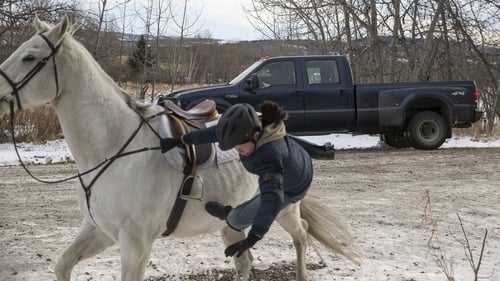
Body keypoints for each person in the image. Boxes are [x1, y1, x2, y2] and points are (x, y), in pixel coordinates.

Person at [160, 101, 315, 257]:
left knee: (236, 221)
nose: (238, 151)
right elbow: (213, 134)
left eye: (240, 147)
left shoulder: (270, 158)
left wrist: (253, 238)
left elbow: (271, 199)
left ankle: (227, 214)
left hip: (293, 186)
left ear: (255, 136)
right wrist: (181, 140)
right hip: (295, 160)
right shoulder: (251, 132)